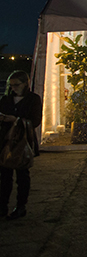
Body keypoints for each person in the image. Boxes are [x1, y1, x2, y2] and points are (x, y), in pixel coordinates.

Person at [0, 71, 43, 220]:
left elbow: (35, 121)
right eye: (11, 85)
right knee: (5, 176)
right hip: (6, 140)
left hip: (23, 140)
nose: (13, 88)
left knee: (22, 176)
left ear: (25, 84)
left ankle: (20, 206)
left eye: (16, 85)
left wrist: (15, 120)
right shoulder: (6, 99)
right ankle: (3, 206)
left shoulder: (33, 99)